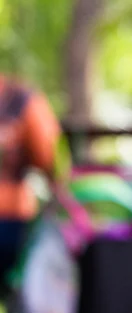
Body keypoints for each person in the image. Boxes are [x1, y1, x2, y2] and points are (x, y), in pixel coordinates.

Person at [0, 75, 61, 296]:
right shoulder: (21, 99)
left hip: (10, 218)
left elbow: (48, 156)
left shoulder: (21, 100)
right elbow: (51, 160)